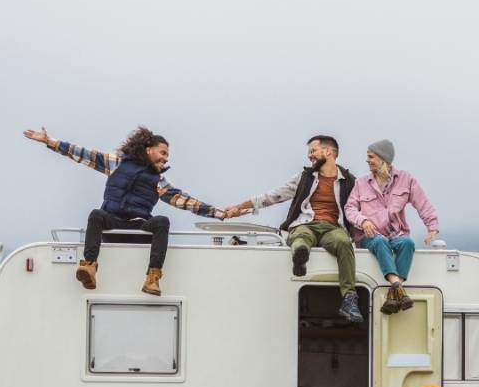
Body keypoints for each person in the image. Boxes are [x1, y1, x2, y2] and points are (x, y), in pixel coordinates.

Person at [23, 125, 218, 296]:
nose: (166, 159)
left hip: (139, 228)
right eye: (163, 153)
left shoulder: (159, 181)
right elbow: (84, 154)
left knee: (162, 221)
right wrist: (50, 141)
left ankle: (152, 278)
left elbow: (185, 201)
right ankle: (89, 267)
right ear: (149, 150)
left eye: (167, 155)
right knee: (96, 215)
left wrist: (220, 214)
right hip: (113, 225)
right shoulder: (117, 163)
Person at [220, 136, 363, 323]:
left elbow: (364, 206)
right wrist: (239, 208)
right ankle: (300, 257)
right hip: (305, 224)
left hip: (333, 228)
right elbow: (273, 196)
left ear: (328, 151)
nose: (309, 156)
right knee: (301, 237)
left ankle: (349, 299)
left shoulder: (350, 181)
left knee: (344, 242)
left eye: (313, 151)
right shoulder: (304, 178)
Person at [343, 140, 440, 314]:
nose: (367, 160)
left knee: (407, 243)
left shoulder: (406, 179)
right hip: (369, 235)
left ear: (383, 159)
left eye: (371, 157)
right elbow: (349, 209)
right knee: (380, 241)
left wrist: (432, 227)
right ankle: (398, 287)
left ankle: (394, 293)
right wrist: (363, 221)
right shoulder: (361, 183)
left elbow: (422, 203)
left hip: (395, 234)